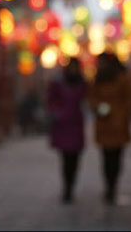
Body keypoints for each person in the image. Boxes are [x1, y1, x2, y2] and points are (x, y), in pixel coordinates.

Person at [87, 51, 131, 205]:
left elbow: (130, 99)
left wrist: (123, 114)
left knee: (116, 158)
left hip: (119, 124)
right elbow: (92, 97)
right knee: (106, 158)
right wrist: (97, 108)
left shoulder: (123, 77)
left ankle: (113, 185)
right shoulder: (98, 79)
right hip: (104, 124)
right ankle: (109, 186)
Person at [46, 58, 86, 203]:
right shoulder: (58, 83)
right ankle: (67, 188)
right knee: (65, 159)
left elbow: (88, 99)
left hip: (76, 125)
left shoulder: (82, 82)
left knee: (75, 159)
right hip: (63, 125)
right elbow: (51, 100)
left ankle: (71, 185)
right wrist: (57, 113)